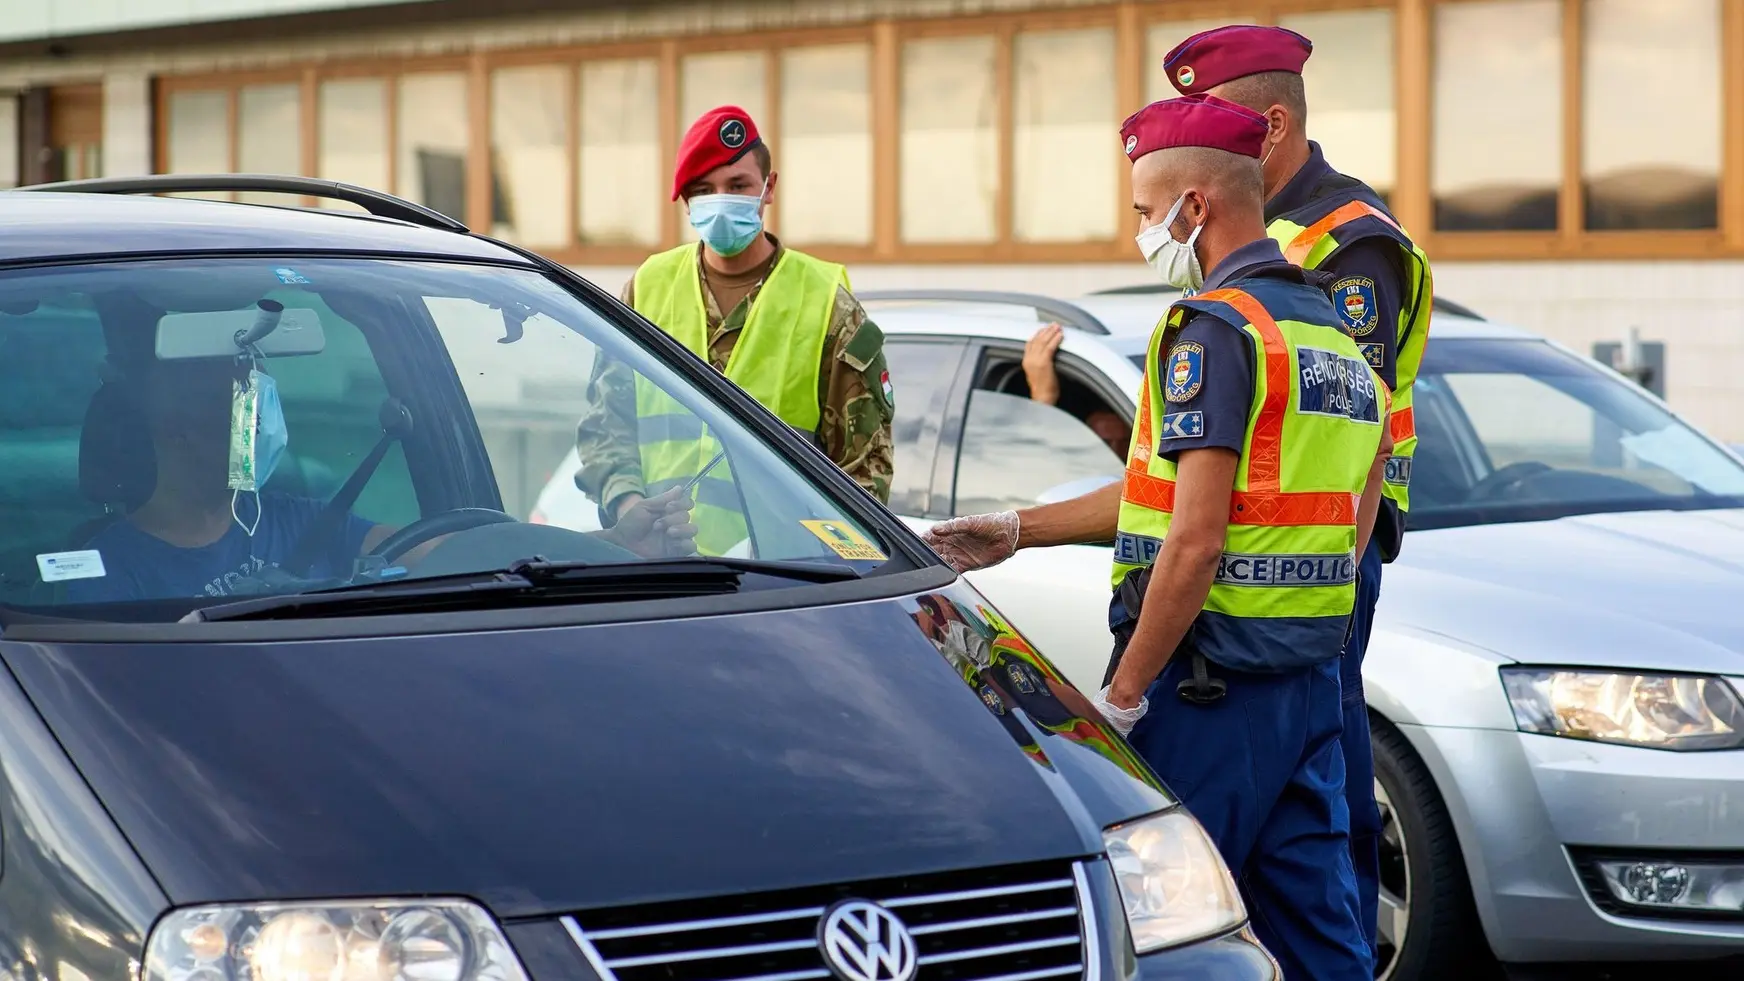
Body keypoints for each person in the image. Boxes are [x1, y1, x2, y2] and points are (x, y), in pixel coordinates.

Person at [923, 93, 1391, 980]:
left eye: (1146, 212)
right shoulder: (1333, 331)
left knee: (1171, 932)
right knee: (1323, 933)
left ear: (1193, 207)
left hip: (1206, 690)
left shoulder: (1213, 330)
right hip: (1307, 686)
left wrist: (1127, 693)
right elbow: (1350, 512)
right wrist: (1022, 529)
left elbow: (1194, 541)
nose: (1142, 229)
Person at [1162, 25, 1435, 954]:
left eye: (1216, 118)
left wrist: (1325, 602)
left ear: (1271, 125)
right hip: (1249, 575)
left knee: (1328, 815)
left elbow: (1350, 445)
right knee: (1278, 841)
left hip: (1321, 572)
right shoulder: (1250, 231)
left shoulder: (1348, 241)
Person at [68, 356, 694, 603]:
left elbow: (455, 549)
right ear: (176, 435)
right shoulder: (108, 567)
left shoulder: (292, 519)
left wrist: (612, 544)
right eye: (236, 416)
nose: (255, 431)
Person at [576, 105, 895, 554]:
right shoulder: (646, 288)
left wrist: (829, 573)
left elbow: (865, 472)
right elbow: (607, 425)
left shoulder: (828, 304)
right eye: (704, 190)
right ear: (686, 200)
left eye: (738, 185)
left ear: (769, 189)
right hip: (659, 571)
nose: (721, 200)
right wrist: (631, 512)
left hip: (781, 581)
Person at [1022, 323, 1131, 456]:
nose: (1116, 452)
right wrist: (1043, 397)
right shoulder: (1075, 470)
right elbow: (1034, 460)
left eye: (1126, 443)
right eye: (1105, 444)